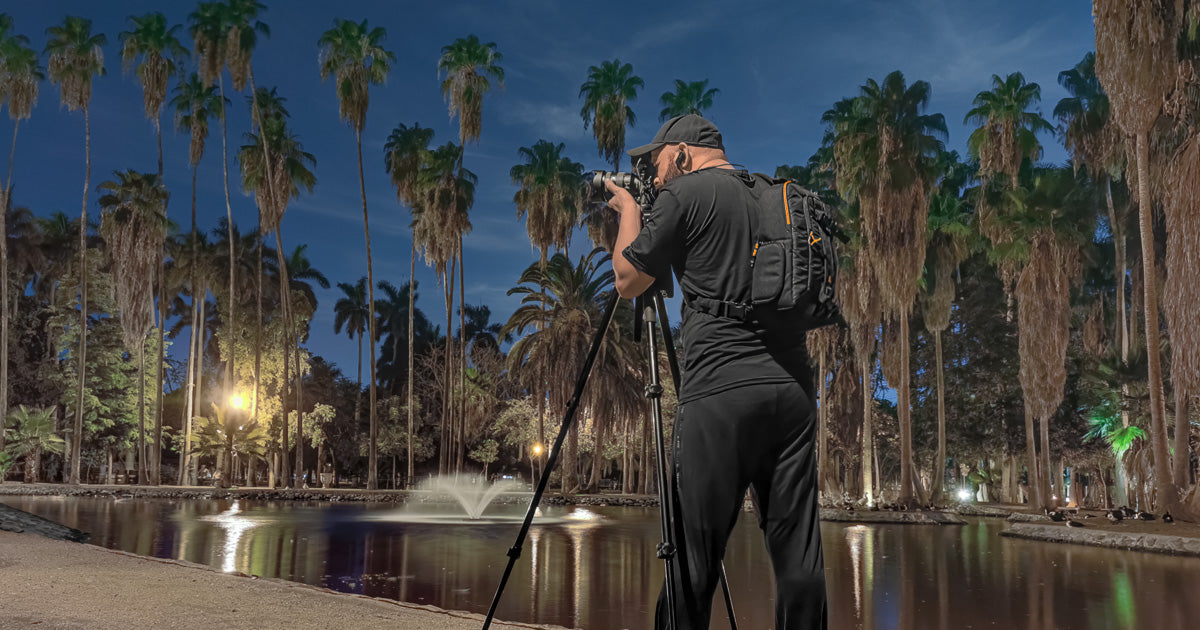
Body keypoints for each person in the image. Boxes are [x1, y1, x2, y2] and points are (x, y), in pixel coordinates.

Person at [605, 114, 827, 629]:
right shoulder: (777, 194)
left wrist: (630, 208)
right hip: (792, 394)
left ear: (682, 153)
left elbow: (628, 278)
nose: (655, 177)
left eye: (657, 164)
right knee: (799, 555)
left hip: (721, 393)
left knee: (692, 557)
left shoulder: (688, 194)